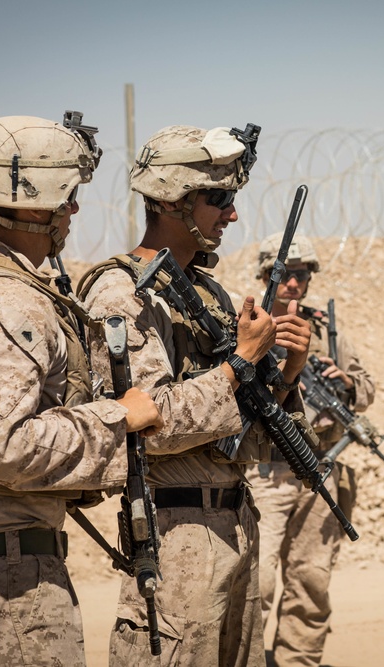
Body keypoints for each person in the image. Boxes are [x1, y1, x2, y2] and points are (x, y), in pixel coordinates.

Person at [0, 114, 164, 666]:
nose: (74, 212)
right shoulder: (12, 302)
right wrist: (121, 417)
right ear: (31, 205)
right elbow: (3, 447)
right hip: (7, 579)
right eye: (68, 198)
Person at [78, 124, 312, 667]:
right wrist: (241, 363)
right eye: (219, 198)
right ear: (170, 200)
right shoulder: (122, 292)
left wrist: (286, 374)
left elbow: (245, 423)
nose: (231, 214)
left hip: (236, 520)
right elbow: (150, 424)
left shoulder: (205, 290)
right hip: (175, 533)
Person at [247, 233, 376, 667]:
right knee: (258, 581)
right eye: (284, 274)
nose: (293, 283)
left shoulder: (327, 330)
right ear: (266, 276)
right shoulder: (248, 326)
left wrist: (347, 383)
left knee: (311, 581)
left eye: (302, 274)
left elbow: (366, 388)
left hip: (319, 468)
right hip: (267, 469)